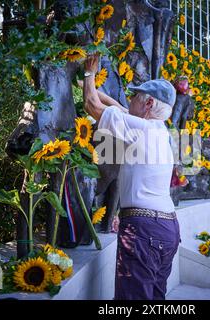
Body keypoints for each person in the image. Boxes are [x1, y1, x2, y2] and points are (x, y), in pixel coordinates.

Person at [82, 53, 180, 300]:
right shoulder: (158, 129)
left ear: (148, 105)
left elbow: (92, 106)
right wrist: (89, 84)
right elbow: (116, 107)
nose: (130, 100)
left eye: (135, 96)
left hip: (144, 231)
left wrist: (88, 73)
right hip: (167, 229)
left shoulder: (142, 130)